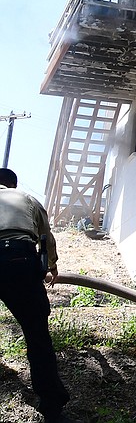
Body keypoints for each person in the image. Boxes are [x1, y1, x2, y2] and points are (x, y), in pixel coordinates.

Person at [0, 168, 72, 423]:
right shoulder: (26, 198)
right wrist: (52, 266)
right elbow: (46, 236)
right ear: (12, 185)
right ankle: (52, 410)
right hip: (19, 258)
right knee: (37, 336)